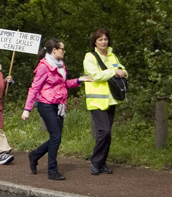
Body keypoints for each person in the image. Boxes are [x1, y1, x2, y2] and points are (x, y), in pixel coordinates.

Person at [21, 38, 93, 180]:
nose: (64, 51)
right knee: (56, 136)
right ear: (54, 50)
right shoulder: (43, 66)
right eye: (62, 49)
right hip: (46, 104)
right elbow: (34, 88)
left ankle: (34, 155)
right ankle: (52, 171)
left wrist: (79, 80)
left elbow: (62, 84)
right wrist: (27, 109)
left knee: (56, 138)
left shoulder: (60, 65)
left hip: (59, 105)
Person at [83, 29, 128, 176]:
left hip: (111, 100)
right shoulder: (89, 57)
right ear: (95, 42)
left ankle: (102, 163)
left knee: (108, 134)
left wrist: (122, 71)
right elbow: (96, 75)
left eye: (105, 39)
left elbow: (122, 69)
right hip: (96, 100)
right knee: (104, 131)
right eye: (100, 39)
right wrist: (114, 72)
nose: (103, 42)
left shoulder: (112, 55)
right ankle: (95, 161)